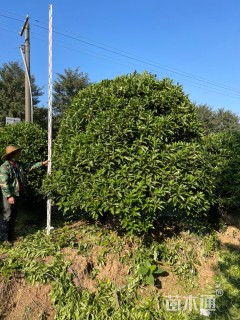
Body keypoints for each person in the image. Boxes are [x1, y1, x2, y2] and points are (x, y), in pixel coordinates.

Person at [0, 145, 48, 243]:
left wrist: (42, 163)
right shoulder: (4, 167)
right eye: (17, 152)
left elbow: (29, 166)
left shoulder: (18, 165)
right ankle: (5, 238)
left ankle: (11, 235)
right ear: (12, 155)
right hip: (10, 195)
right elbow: (4, 183)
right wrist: (9, 196)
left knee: (14, 216)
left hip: (18, 194)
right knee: (7, 216)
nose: (19, 154)